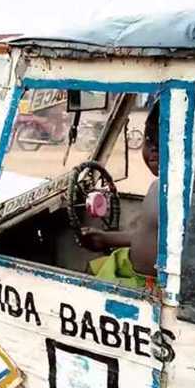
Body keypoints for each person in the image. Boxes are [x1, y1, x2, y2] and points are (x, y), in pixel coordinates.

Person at [81, 99, 159, 287]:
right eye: (149, 139)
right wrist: (106, 238)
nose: (153, 149)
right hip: (129, 265)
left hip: (151, 285)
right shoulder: (157, 187)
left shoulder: (183, 198)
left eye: (162, 140)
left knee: (87, 286)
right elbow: (145, 235)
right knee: (92, 268)